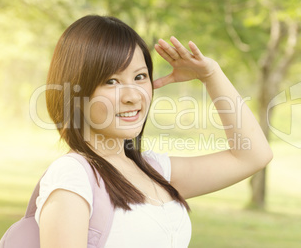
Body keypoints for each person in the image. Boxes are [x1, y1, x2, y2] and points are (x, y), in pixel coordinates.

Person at [39, 15, 273, 248]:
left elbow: (253, 155)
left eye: (140, 77)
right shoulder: (73, 176)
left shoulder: (154, 170)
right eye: (111, 81)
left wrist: (210, 75)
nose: (133, 96)